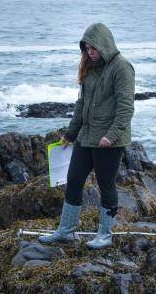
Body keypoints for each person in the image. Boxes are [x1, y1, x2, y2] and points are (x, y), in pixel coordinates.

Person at [40, 22, 135, 249]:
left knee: (106, 184)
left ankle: (105, 234)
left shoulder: (122, 68)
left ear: (104, 44)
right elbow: (81, 104)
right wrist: (70, 135)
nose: (90, 52)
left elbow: (126, 108)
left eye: (93, 48)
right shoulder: (89, 68)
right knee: (73, 180)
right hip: (86, 136)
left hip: (109, 142)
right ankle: (66, 230)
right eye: (86, 48)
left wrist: (110, 136)